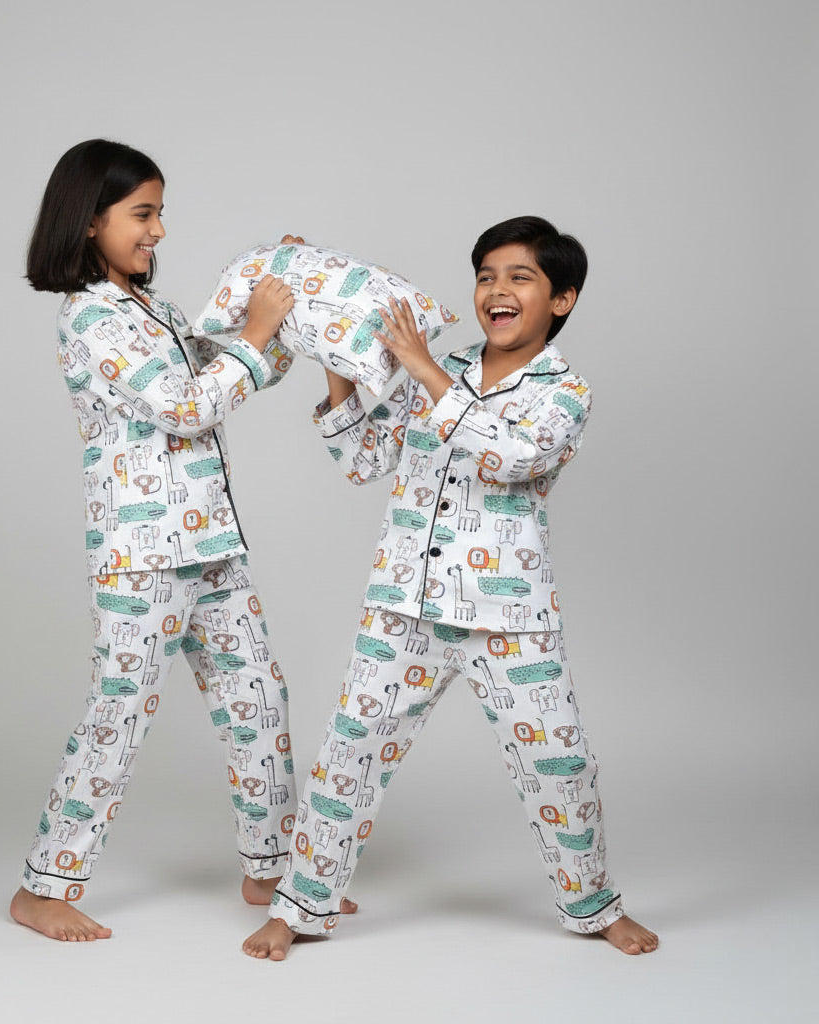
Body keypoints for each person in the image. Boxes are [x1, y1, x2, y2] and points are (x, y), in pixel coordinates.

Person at [243, 216, 659, 959]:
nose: (497, 290)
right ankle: (299, 905)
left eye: (520, 277)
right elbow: (363, 457)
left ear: (561, 299)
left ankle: (594, 906)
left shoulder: (564, 392)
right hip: (404, 606)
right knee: (346, 756)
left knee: (560, 766)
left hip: (508, 615)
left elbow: (513, 458)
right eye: (486, 276)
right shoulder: (444, 368)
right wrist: (335, 353)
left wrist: (421, 366)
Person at [10, 139, 302, 941]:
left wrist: (280, 295)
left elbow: (242, 373)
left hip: (212, 543)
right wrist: (256, 335)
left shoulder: (157, 311)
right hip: (143, 553)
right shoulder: (91, 317)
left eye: (161, 213)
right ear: (90, 219)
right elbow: (184, 406)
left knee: (259, 699)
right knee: (121, 712)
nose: (159, 230)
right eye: (143, 213)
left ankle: (270, 864)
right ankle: (43, 887)